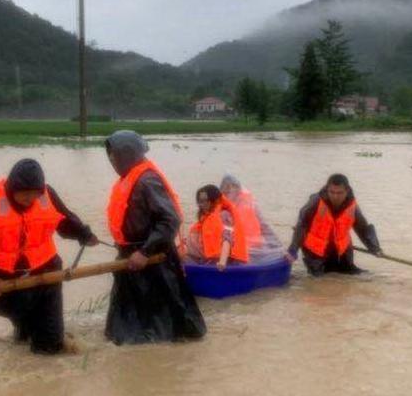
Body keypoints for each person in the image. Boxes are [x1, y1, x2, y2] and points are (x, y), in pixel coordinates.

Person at [0, 158, 98, 355]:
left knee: (49, 346)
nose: (31, 199)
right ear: (12, 189)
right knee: (23, 336)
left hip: (47, 276)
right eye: (25, 194)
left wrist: (84, 234)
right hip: (7, 285)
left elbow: (65, 219)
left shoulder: (46, 195)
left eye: (35, 194)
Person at [104, 130, 206, 345]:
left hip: (153, 260)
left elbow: (170, 219)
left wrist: (144, 252)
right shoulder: (128, 179)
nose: (111, 160)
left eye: (114, 155)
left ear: (127, 154)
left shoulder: (147, 181)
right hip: (131, 255)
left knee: (158, 323)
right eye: (110, 156)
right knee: (129, 320)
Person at [286, 173, 383, 276]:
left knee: (355, 276)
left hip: (342, 251)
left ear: (347, 191)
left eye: (340, 193)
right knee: (319, 281)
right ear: (327, 190)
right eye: (332, 192)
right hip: (315, 253)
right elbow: (301, 226)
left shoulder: (352, 206)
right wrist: (293, 250)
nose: (335, 196)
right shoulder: (315, 202)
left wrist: (375, 248)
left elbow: (363, 228)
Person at [220, 174, 285, 263]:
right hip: (240, 252)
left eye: (232, 187)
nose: (230, 191)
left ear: (238, 189)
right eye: (226, 189)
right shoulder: (222, 209)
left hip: (253, 250)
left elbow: (264, 227)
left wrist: (279, 247)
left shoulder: (250, 205)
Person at [184, 184, 249, 270]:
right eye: (199, 201)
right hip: (204, 258)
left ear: (214, 200)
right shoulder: (206, 216)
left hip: (219, 261)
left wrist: (222, 262)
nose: (201, 204)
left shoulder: (224, 215)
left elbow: (227, 239)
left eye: (204, 200)